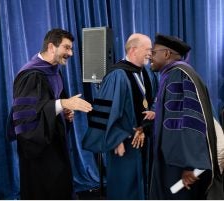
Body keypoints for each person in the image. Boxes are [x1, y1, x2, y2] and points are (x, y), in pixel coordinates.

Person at [7, 28, 92, 199]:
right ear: (52, 47)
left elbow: (51, 104)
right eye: (67, 48)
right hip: (38, 148)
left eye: (71, 49)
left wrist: (64, 112)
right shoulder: (30, 75)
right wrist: (62, 103)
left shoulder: (53, 71)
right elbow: (27, 115)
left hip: (54, 143)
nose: (71, 53)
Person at [150, 33, 224, 199]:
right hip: (176, 160)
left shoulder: (179, 75)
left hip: (180, 166)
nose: (150, 57)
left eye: (154, 53)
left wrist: (190, 165)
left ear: (167, 54)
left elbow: (188, 122)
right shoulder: (174, 74)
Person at [82, 33, 156, 199]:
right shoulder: (116, 76)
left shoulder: (148, 74)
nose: (150, 54)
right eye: (147, 50)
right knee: (125, 188)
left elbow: (155, 99)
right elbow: (104, 112)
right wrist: (116, 139)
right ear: (133, 50)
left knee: (144, 184)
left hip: (144, 139)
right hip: (124, 143)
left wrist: (147, 123)